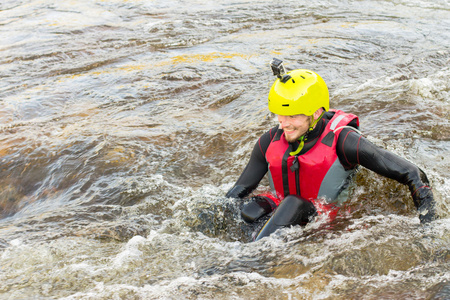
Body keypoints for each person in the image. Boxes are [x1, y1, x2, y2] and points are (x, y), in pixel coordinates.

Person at [226, 58, 437, 241]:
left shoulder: (344, 142)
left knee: (292, 203)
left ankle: (252, 262)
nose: (283, 124)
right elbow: (234, 195)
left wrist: (430, 232)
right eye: (280, 115)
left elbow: (413, 174)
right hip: (284, 215)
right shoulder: (269, 141)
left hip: (324, 218)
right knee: (249, 211)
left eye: (292, 116)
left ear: (316, 112)